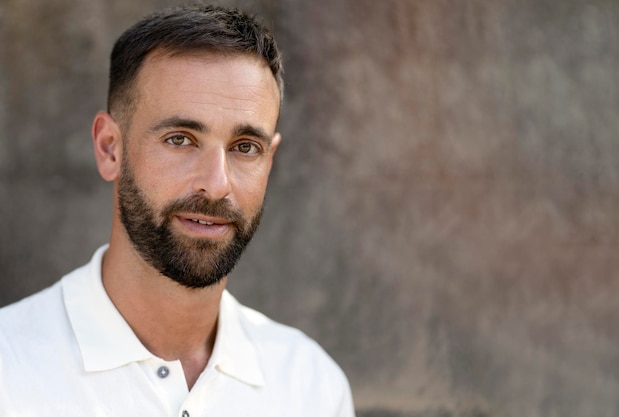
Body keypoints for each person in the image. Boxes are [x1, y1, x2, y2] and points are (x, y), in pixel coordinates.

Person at [0, 4, 354, 416]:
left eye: (245, 148)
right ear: (109, 148)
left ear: (269, 160)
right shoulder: (11, 369)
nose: (217, 183)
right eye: (181, 139)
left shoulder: (310, 387)